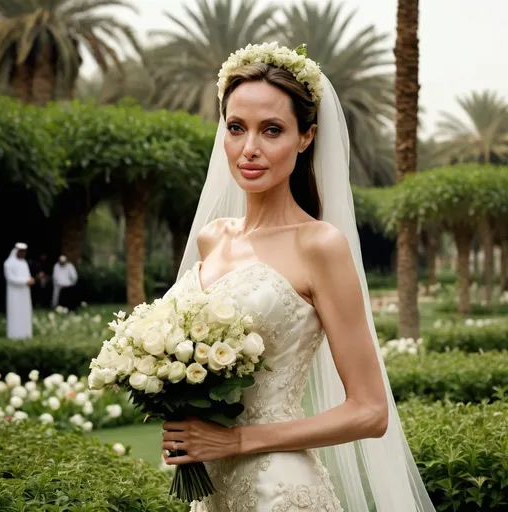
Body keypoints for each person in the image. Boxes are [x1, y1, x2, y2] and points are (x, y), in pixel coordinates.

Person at [161, 43, 435, 511]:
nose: (250, 149)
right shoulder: (212, 239)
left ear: (306, 137)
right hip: (210, 490)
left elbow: (370, 412)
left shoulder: (319, 246)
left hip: (279, 491)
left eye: (272, 130)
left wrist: (236, 441)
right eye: (236, 128)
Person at [3, 242, 34, 339]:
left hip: (25, 293)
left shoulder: (24, 263)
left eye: (24, 252)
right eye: (21, 252)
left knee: (25, 312)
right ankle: (15, 335)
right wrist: (25, 281)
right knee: (15, 313)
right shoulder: (8, 263)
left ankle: (26, 334)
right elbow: (10, 278)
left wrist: (30, 280)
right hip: (14, 294)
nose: (23, 254)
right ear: (16, 251)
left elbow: (27, 276)